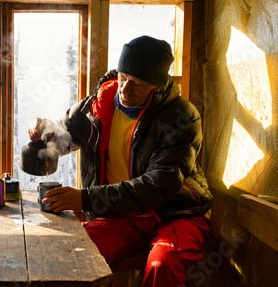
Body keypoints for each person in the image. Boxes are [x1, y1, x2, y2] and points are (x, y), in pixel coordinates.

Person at [28, 35, 213, 287]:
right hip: (122, 215)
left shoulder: (182, 117)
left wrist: (85, 198)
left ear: (157, 85)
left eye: (136, 83)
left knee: (164, 265)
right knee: (76, 253)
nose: (124, 89)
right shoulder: (98, 105)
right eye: (123, 77)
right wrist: (42, 135)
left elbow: (157, 187)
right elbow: (62, 137)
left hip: (176, 213)